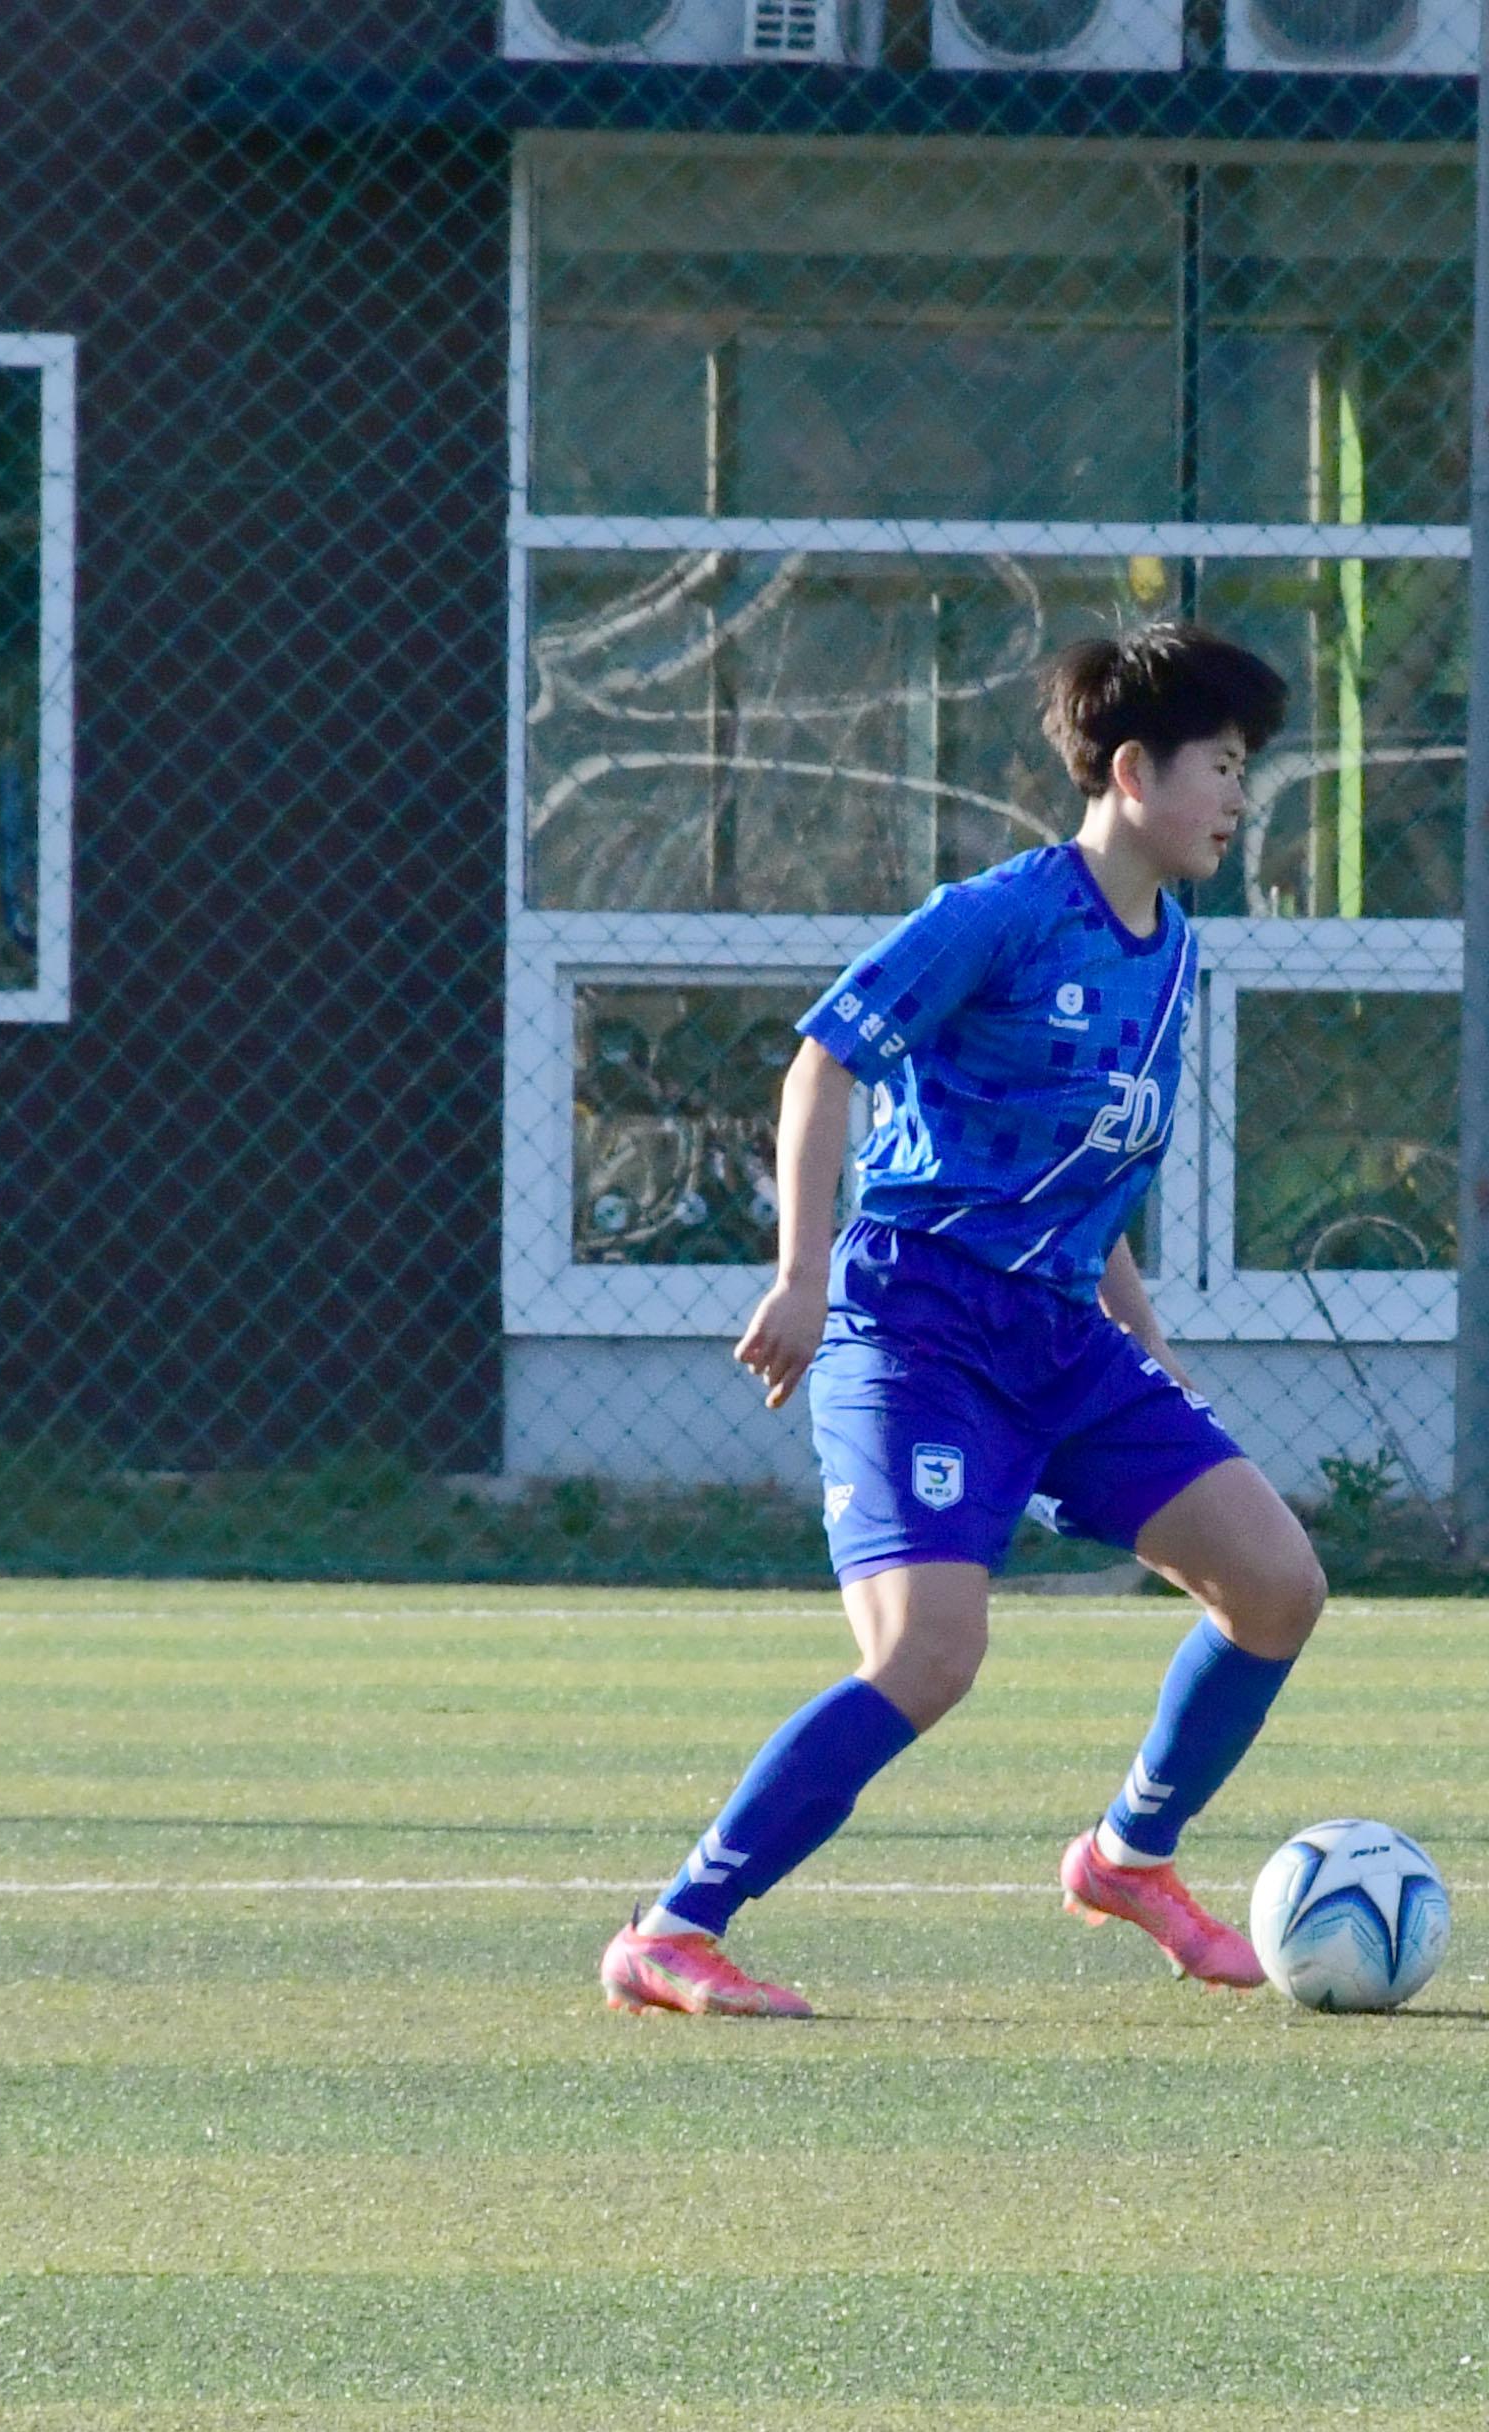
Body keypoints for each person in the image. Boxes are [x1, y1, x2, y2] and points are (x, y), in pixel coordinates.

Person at [599, 622, 1328, 2019]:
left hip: (1062, 1337)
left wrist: (1156, 1360)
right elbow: (824, 1062)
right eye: (1224, 768)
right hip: (916, 1325)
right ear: (1130, 771)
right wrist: (802, 1276)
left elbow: (1088, 1189)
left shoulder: (1173, 953)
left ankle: (1129, 1857)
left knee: (1279, 1585)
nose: (1242, 800)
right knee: (930, 1655)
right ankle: (676, 1929)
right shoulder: (999, 914)